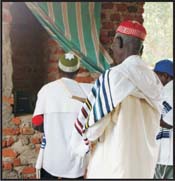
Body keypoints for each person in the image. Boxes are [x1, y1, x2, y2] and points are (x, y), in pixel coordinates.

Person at [70, 20, 163, 178]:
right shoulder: (154, 80)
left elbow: (92, 130)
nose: (112, 48)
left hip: (113, 167)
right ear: (141, 49)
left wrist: (80, 142)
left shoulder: (114, 76)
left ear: (118, 42)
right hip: (143, 168)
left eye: (113, 43)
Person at [32, 52, 87, 179]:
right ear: (77, 70)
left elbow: (36, 122)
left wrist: (52, 128)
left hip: (51, 160)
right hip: (75, 163)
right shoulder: (85, 93)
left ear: (58, 69)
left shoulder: (46, 90)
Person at [153, 59, 173, 179]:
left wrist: (149, 117)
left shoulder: (169, 93)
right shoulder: (165, 91)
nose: (154, 81)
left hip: (167, 156)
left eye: (156, 76)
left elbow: (168, 122)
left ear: (165, 76)